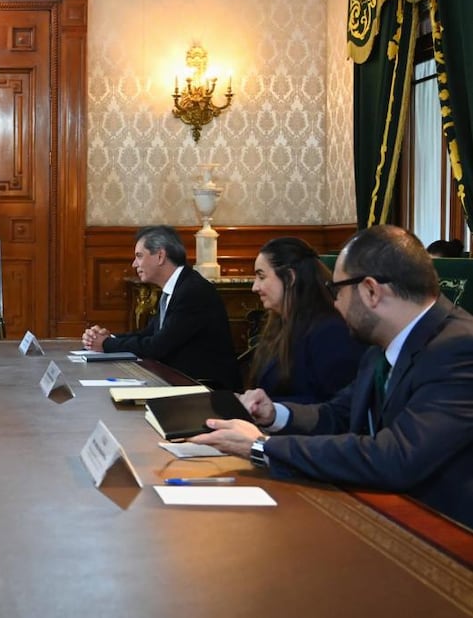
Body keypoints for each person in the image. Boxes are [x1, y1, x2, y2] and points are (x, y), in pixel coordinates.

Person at [193, 225, 473, 529]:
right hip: (381, 511)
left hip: (443, 536)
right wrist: (275, 415)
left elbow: (397, 457)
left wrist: (262, 447)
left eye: (336, 290)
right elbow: (338, 413)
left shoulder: (459, 348)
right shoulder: (382, 344)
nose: (334, 303)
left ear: (370, 291)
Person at [81, 225, 241, 390]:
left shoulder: (192, 291)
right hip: (180, 382)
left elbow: (157, 346)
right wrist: (111, 338)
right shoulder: (177, 287)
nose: (134, 264)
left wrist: (106, 344)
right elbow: (149, 333)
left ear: (160, 256)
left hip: (207, 390)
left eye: (139, 256)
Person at [247, 237, 366, 404]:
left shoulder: (331, 332)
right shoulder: (279, 323)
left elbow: (338, 407)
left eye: (261, 276)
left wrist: (274, 411)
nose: (255, 287)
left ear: (290, 277)